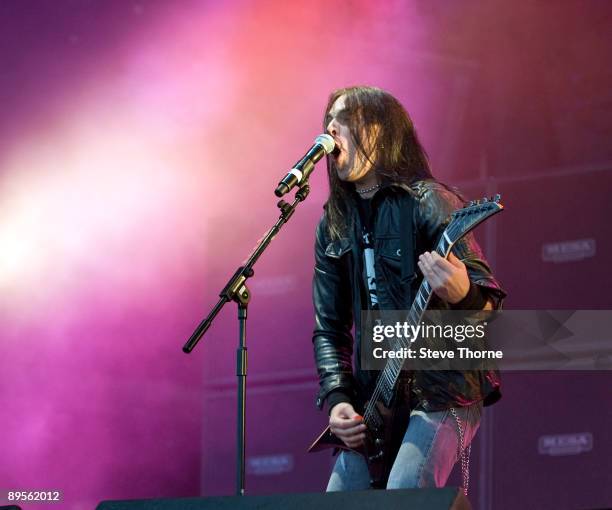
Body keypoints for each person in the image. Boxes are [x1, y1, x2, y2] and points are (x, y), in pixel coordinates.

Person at [312, 86, 506, 492]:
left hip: (443, 386)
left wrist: (462, 293)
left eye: (345, 119)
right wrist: (339, 401)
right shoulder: (333, 224)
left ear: (380, 131)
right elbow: (329, 329)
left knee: (404, 493)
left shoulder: (429, 201)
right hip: (376, 400)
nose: (332, 126)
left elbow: (490, 307)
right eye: (329, 119)